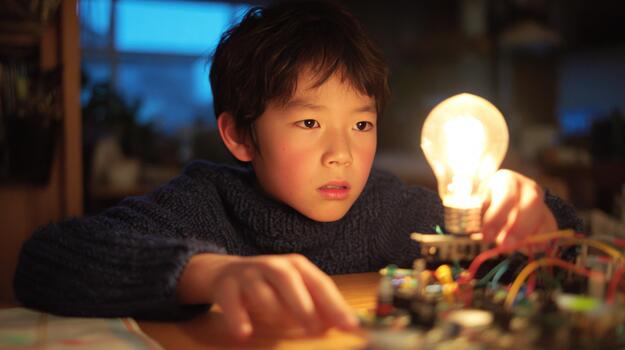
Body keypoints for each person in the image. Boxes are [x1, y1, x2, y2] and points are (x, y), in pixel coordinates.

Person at [14, 1, 581, 339]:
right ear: (239, 135)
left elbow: (556, 254)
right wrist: (210, 274)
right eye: (309, 124)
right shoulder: (205, 204)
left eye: (361, 125)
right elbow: (46, 260)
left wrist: (526, 206)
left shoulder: (387, 208)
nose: (343, 154)